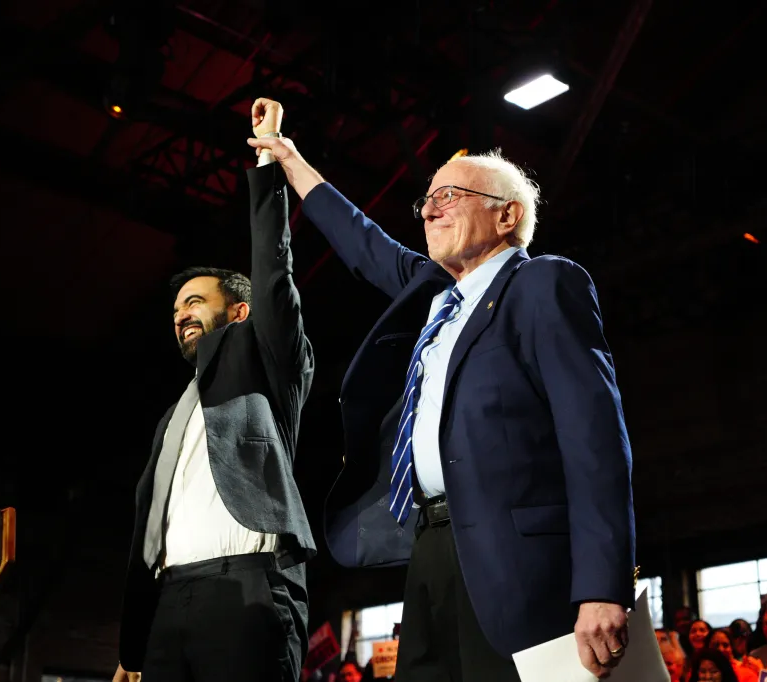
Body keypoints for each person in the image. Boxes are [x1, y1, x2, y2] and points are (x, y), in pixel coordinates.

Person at [249, 98, 636, 681]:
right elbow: (361, 240)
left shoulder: (541, 284)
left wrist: (604, 585)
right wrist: (288, 156)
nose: (430, 210)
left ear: (507, 217)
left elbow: (596, 439)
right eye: (427, 199)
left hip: (517, 555)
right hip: (429, 543)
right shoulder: (432, 294)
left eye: (450, 196)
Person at [112, 100, 315, 682]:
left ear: (241, 311)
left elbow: (273, 269)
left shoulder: (269, 365)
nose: (181, 316)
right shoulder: (175, 416)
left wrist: (267, 162)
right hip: (170, 602)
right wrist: (136, 644)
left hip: (245, 589)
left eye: (195, 302)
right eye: (176, 310)